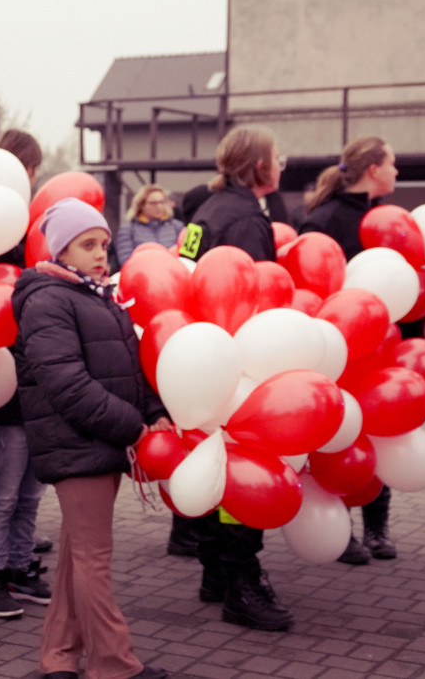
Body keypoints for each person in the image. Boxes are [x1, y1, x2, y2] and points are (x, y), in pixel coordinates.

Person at [13, 197, 170, 679]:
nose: (101, 253)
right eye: (88, 245)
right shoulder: (47, 301)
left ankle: (58, 655)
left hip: (98, 441)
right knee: (93, 559)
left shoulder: (96, 294)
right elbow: (67, 385)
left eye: (103, 243)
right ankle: (114, 664)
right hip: (78, 444)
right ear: (61, 250)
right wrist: (133, 426)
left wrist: (156, 412)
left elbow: (130, 367)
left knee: (77, 557)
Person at [178, 125, 293, 631]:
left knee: (211, 460)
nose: (283, 162)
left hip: (198, 358)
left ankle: (215, 576)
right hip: (235, 360)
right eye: (277, 155)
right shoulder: (246, 218)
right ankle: (242, 584)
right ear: (259, 166)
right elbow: (260, 296)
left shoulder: (207, 209)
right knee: (240, 471)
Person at [299, 136, 400, 566]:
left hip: (381, 345)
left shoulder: (389, 220)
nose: (398, 172)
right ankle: (341, 529)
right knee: (337, 436)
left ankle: (377, 528)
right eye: (393, 164)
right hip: (336, 348)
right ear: (374, 170)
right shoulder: (322, 220)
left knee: (381, 430)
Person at [0, 129, 52, 620]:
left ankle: (20, 568)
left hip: (39, 383)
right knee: (0, 492)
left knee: (30, 491)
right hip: (1, 383)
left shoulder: (36, 233)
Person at [113, 185, 185, 266]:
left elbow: (185, 258)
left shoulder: (177, 227)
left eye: (162, 202)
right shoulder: (128, 230)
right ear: (141, 205)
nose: (159, 206)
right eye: (153, 203)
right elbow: (126, 261)